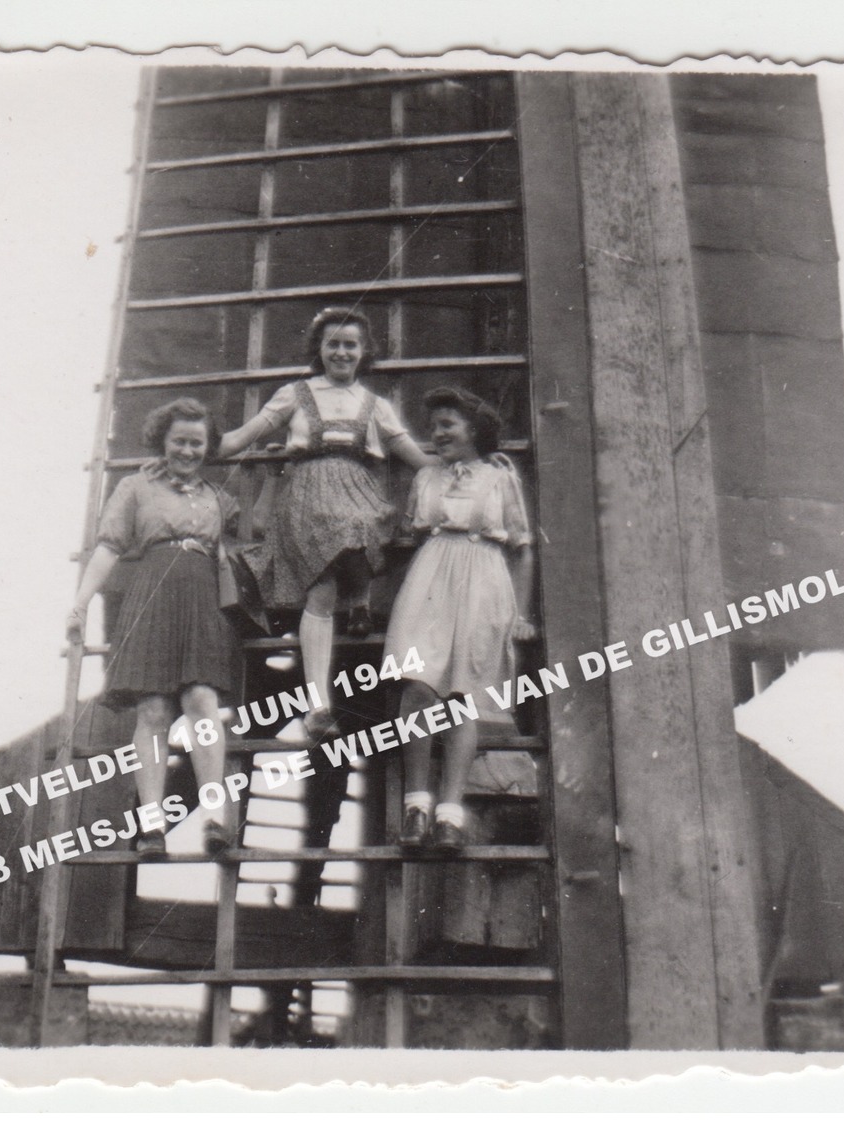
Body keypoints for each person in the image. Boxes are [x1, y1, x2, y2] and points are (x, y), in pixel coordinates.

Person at [217, 307, 434, 739]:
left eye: (350, 344)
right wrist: (198, 445)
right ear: (319, 348)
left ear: (363, 351)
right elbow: (243, 437)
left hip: (358, 491)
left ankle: (358, 595)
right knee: (323, 583)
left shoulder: (375, 405)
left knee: (361, 523)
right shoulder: (294, 394)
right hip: (305, 497)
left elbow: (415, 456)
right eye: (332, 343)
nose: (341, 352)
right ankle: (320, 704)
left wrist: (462, 466)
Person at [66, 397, 239, 859]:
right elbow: (108, 547)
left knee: (201, 701)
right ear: (163, 440)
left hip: (201, 595)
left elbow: (252, 533)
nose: (187, 450)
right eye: (179, 440)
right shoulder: (136, 487)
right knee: (154, 712)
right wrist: (80, 604)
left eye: (197, 443)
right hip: (152, 593)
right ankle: (153, 826)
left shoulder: (219, 498)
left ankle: (214, 819)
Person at [383, 387, 537, 853]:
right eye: (433, 427)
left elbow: (523, 548)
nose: (437, 433)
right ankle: (416, 806)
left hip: (484, 580)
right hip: (430, 577)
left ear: (474, 429)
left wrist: (521, 615)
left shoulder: (499, 478)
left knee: (462, 697)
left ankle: (450, 814)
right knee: (416, 687)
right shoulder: (427, 478)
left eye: (447, 424)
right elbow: (407, 538)